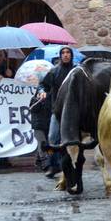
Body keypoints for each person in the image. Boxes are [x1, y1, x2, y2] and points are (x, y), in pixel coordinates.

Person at [38, 46, 75, 178]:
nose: (65, 55)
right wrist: (42, 92)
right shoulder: (54, 71)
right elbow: (42, 85)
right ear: (60, 56)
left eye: (68, 53)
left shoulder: (76, 71)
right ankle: (53, 165)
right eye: (63, 53)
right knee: (52, 138)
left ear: (71, 55)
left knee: (72, 140)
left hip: (74, 112)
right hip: (57, 110)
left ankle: (71, 165)